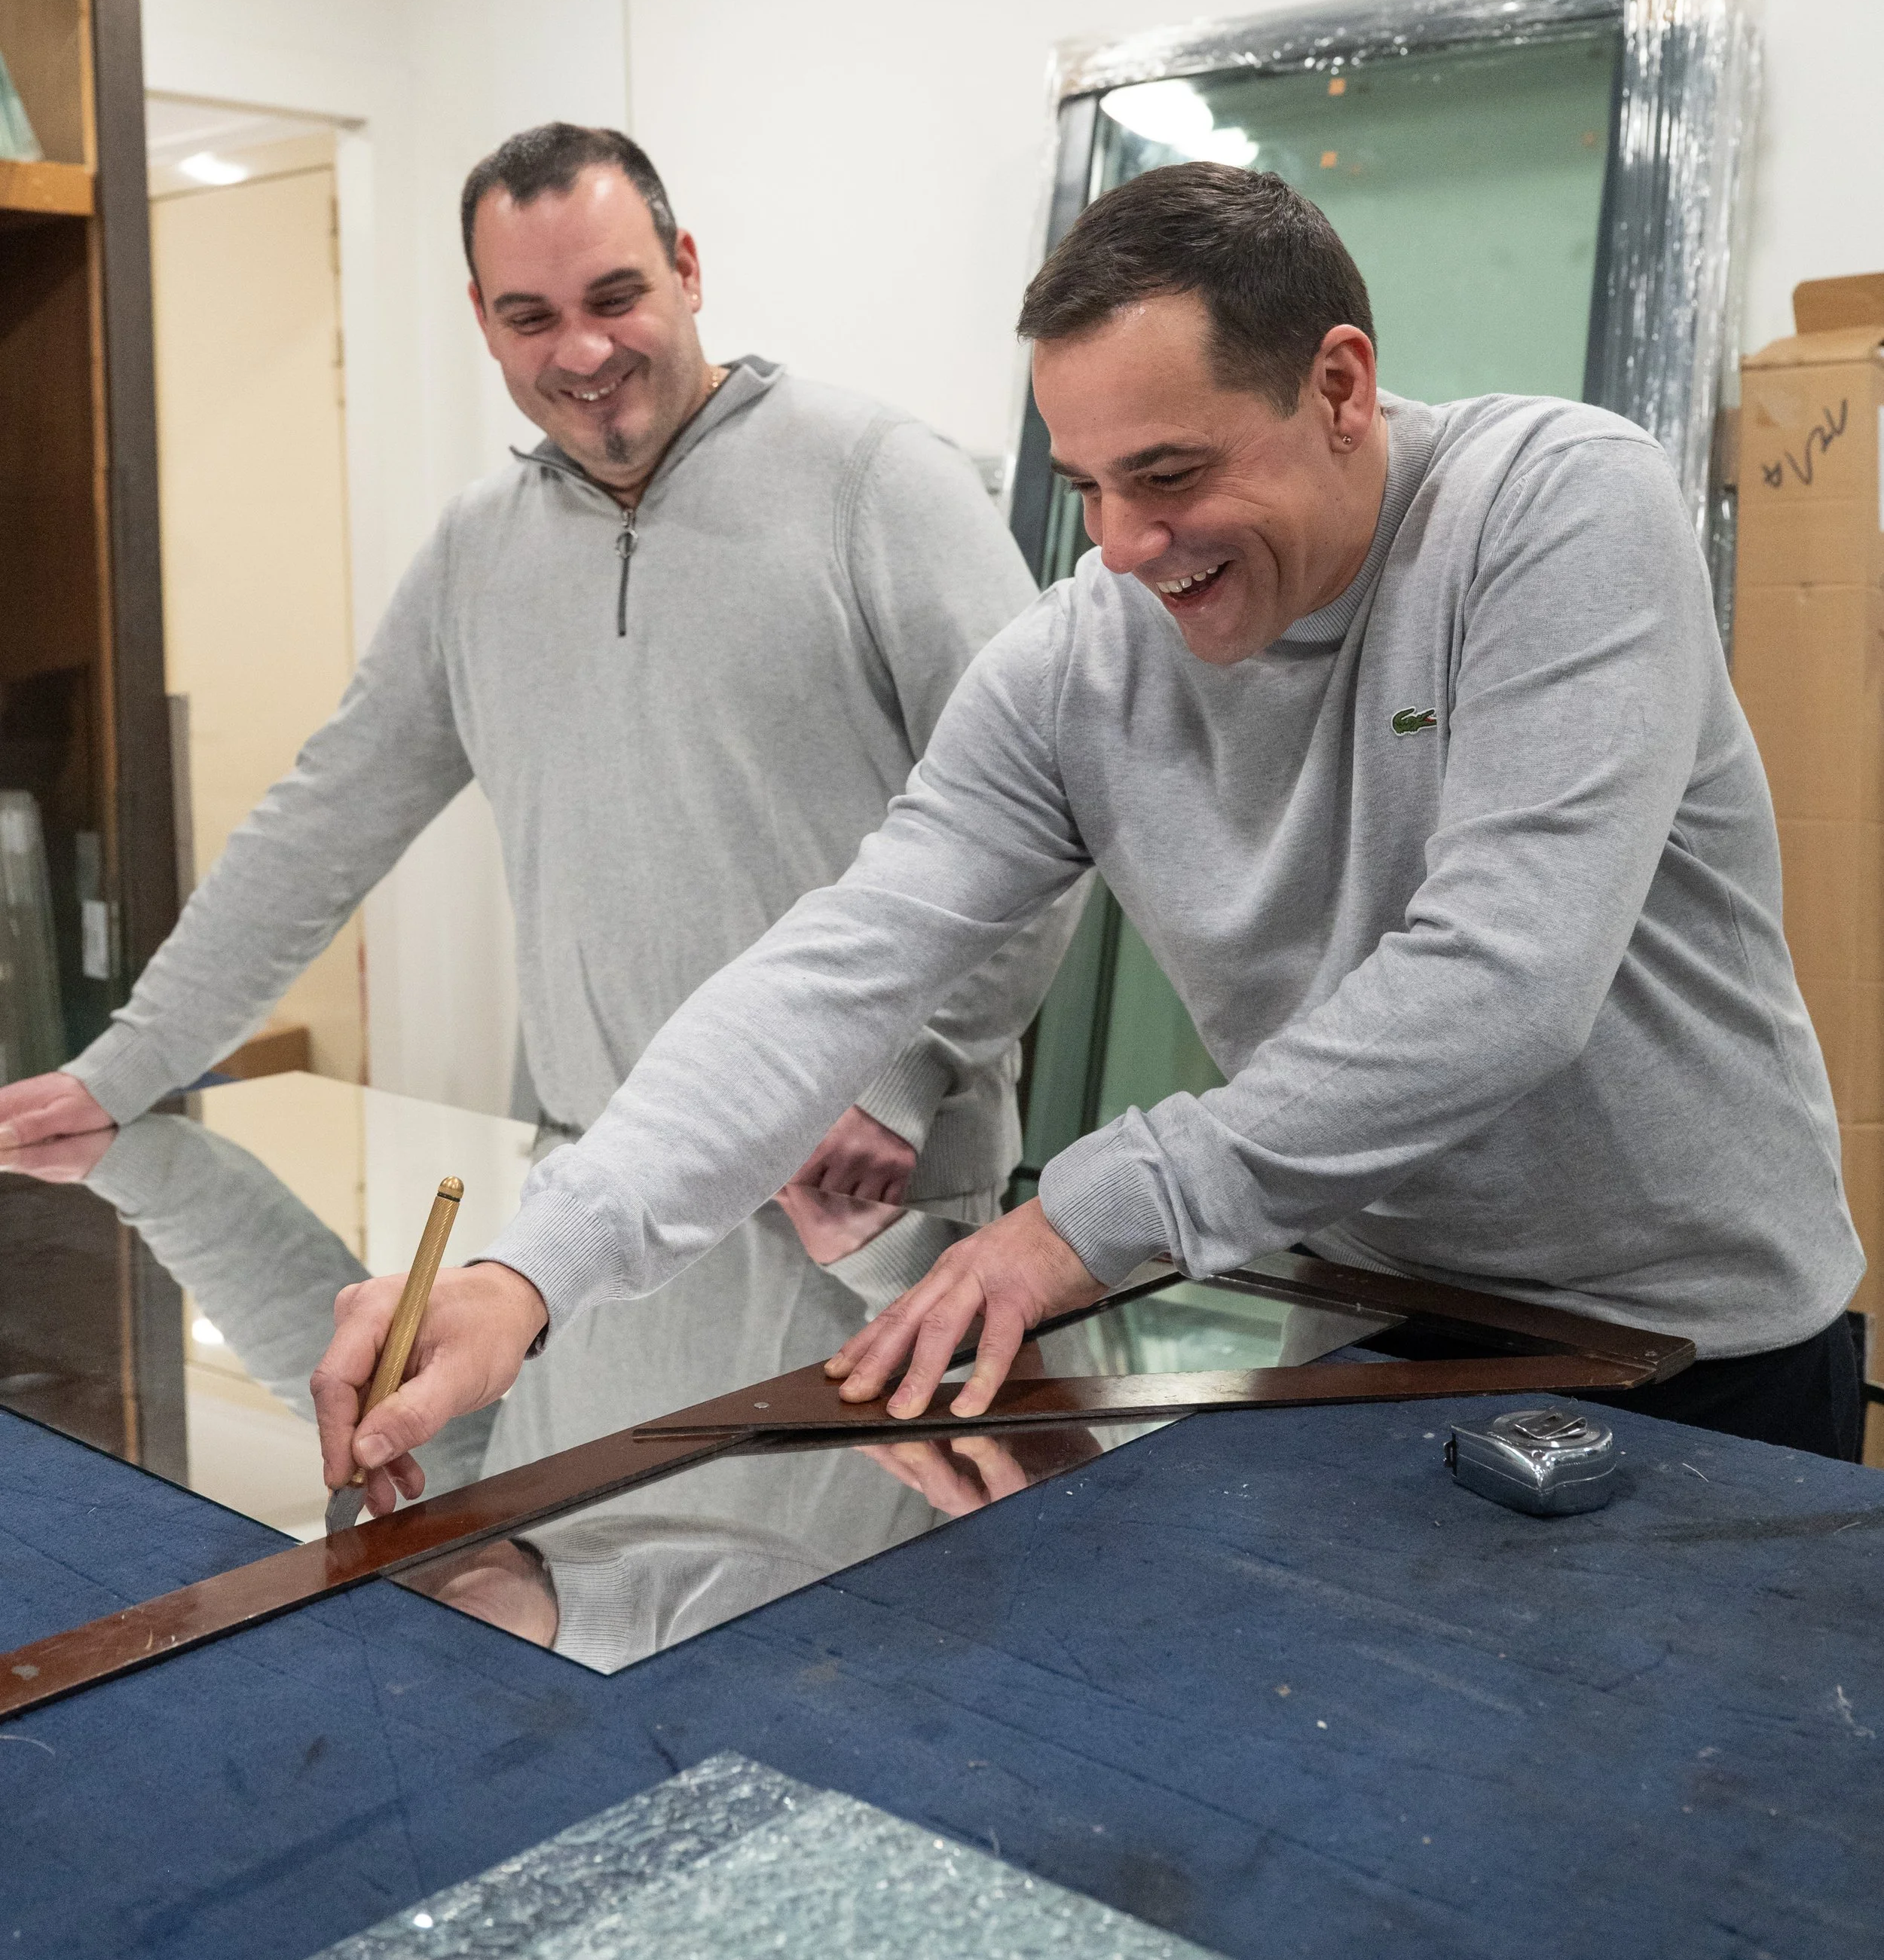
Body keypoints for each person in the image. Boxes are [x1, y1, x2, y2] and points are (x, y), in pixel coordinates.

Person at [313, 160, 1864, 1494]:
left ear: (1336, 386)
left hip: (1685, 1344)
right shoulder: (1077, 661)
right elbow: (835, 968)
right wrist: (532, 1266)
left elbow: (1498, 979)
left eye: (1172, 474)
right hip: (1349, 1323)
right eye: (1090, 488)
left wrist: (1080, 1222)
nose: (1125, 549)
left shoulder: (1554, 511)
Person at [0, 123, 1077, 1274]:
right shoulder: (477, 552)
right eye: (532, 317)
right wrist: (124, 1070)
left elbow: (1040, 805)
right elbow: (319, 832)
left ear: (690, 269)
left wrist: (901, 1079)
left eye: (618, 296)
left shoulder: (879, 482)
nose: (583, 350)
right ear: (483, 321)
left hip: (863, 1202)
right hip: (596, 1212)